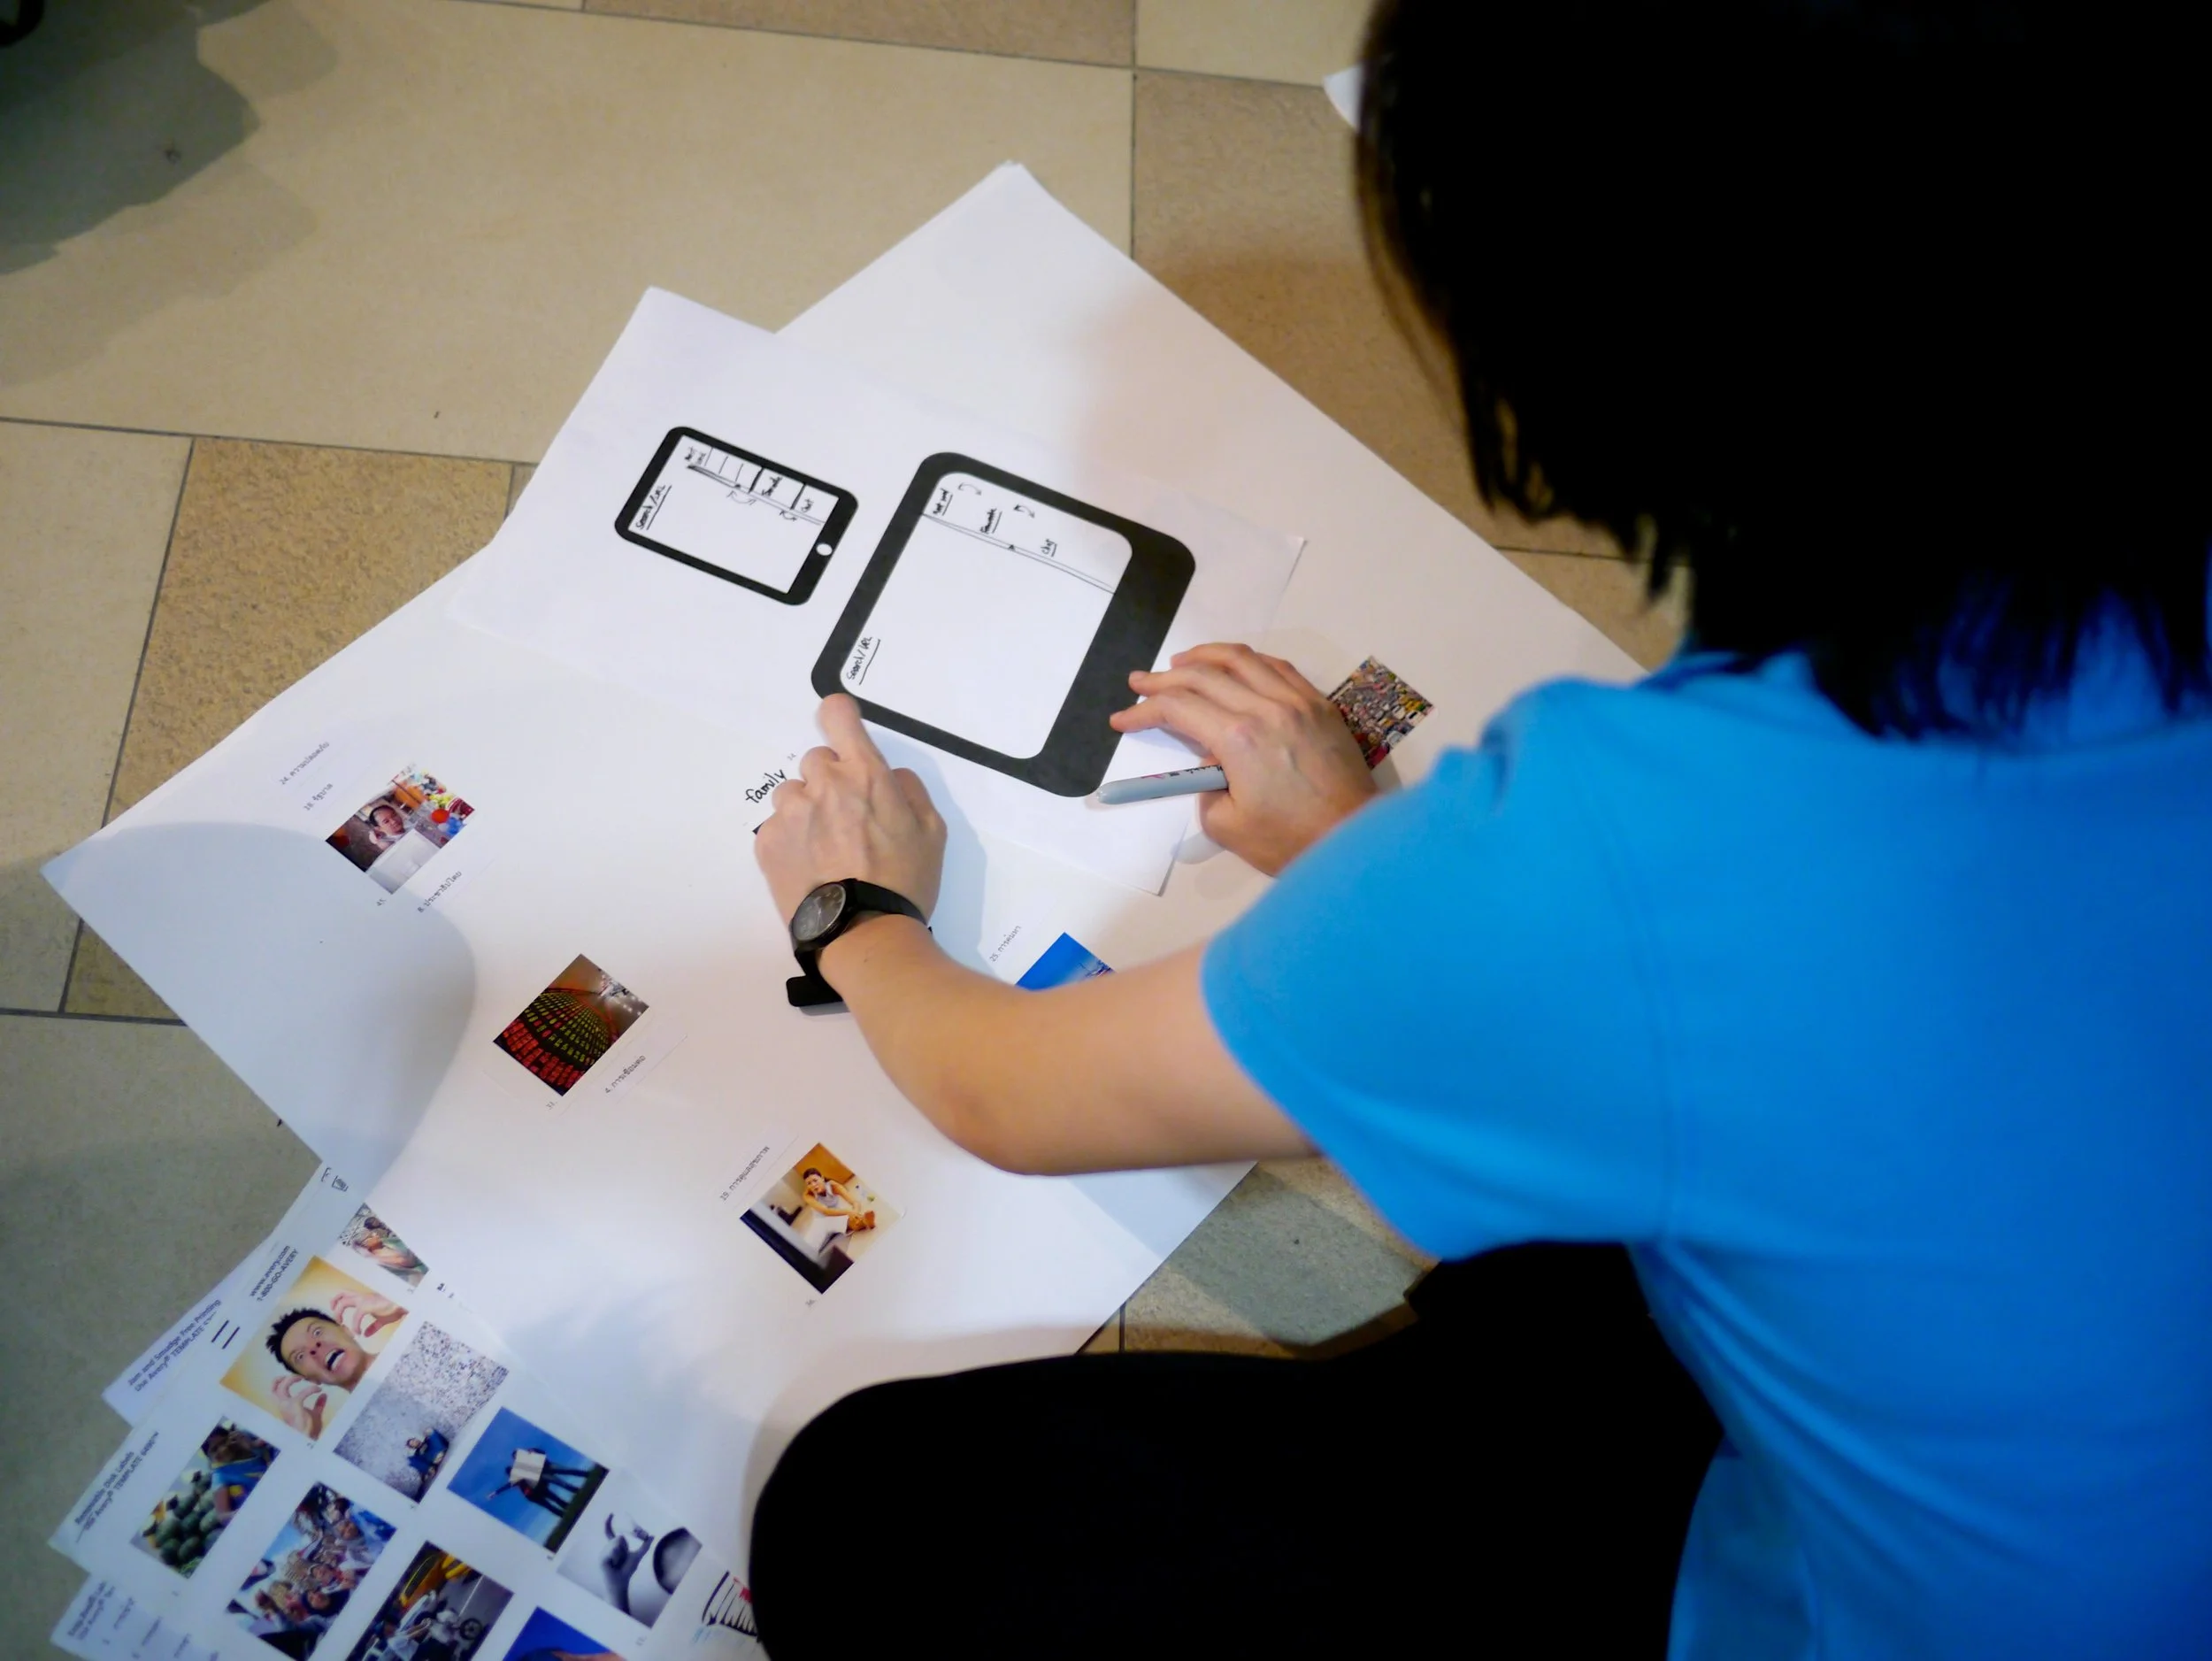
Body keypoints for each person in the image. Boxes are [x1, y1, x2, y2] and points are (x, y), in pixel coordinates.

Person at [744, 1, 2209, 1656]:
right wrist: (1356, 854)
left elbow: (1001, 1090)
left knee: (874, 1523)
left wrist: (852, 913)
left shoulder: (1640, 840)